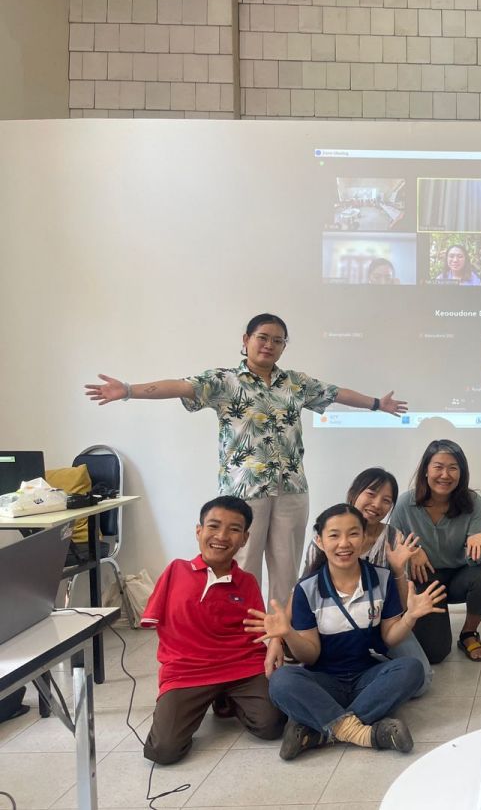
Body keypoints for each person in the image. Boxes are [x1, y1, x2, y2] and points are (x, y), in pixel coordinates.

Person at [84, 313, 407, 607]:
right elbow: (179, 387)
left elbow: (336, 393)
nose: (269, 345)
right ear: (246, 340)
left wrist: (377, 404)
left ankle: (281, 634)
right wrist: (128, 390)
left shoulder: (295, 383)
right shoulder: (224, 381)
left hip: (291, 489)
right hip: (243, 492)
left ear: (283, 347)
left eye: (277, 340)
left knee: (286, 571)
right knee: (243, 567)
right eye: (262, 337)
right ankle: (243, 634)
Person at [252, 504, 446, 760]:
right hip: (324, 680)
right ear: (320, 541)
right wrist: (288, 634)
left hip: (367, 677)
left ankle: (320, 731)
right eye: (334, 535)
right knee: (281, 681)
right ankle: (366, 732)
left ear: (364, 538)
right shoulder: (306, 589)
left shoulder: (382, 579)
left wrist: (409, 617)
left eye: (353, 534)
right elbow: (310, 655)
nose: (344, 543)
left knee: (411, 669)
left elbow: (389, 637)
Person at [140, 496, 284, 765]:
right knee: (163, 751)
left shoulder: (247, 582)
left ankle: (225, 699)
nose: (222, 536)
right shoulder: (175, 570)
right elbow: (152, 620)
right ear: (199, 531)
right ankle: (216, 699)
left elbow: (260, 629)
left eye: (234, 529)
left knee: (271, 725)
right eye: (214, 526)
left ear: (245, 538)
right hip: (186, 671)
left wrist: (276, 639)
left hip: (241, 667)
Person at [296, 467, 432, 696]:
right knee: (294, 678)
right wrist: (281, 635)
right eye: (371, 493)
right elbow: (304, 591)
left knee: (422, 681)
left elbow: (399, 608)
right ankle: (367, 686)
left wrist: (398, 570)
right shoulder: (326, 536)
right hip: (334, 627)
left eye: (386, 500)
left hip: (382, 623)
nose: (377, 504)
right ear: (354, 493)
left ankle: (365, 680)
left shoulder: (393, 537)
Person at [389, 439, 481, 664]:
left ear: (462, 472)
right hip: (425, 578)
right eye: (438, 467)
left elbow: (476, 562)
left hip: (459, 575)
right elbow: (393, 546)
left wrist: (476, 545)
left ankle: (468, 633)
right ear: (426, 470)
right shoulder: (405, 503)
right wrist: (413, 551)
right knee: (435, 654)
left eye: (453, 468)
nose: (445, 475)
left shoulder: (473, 502)